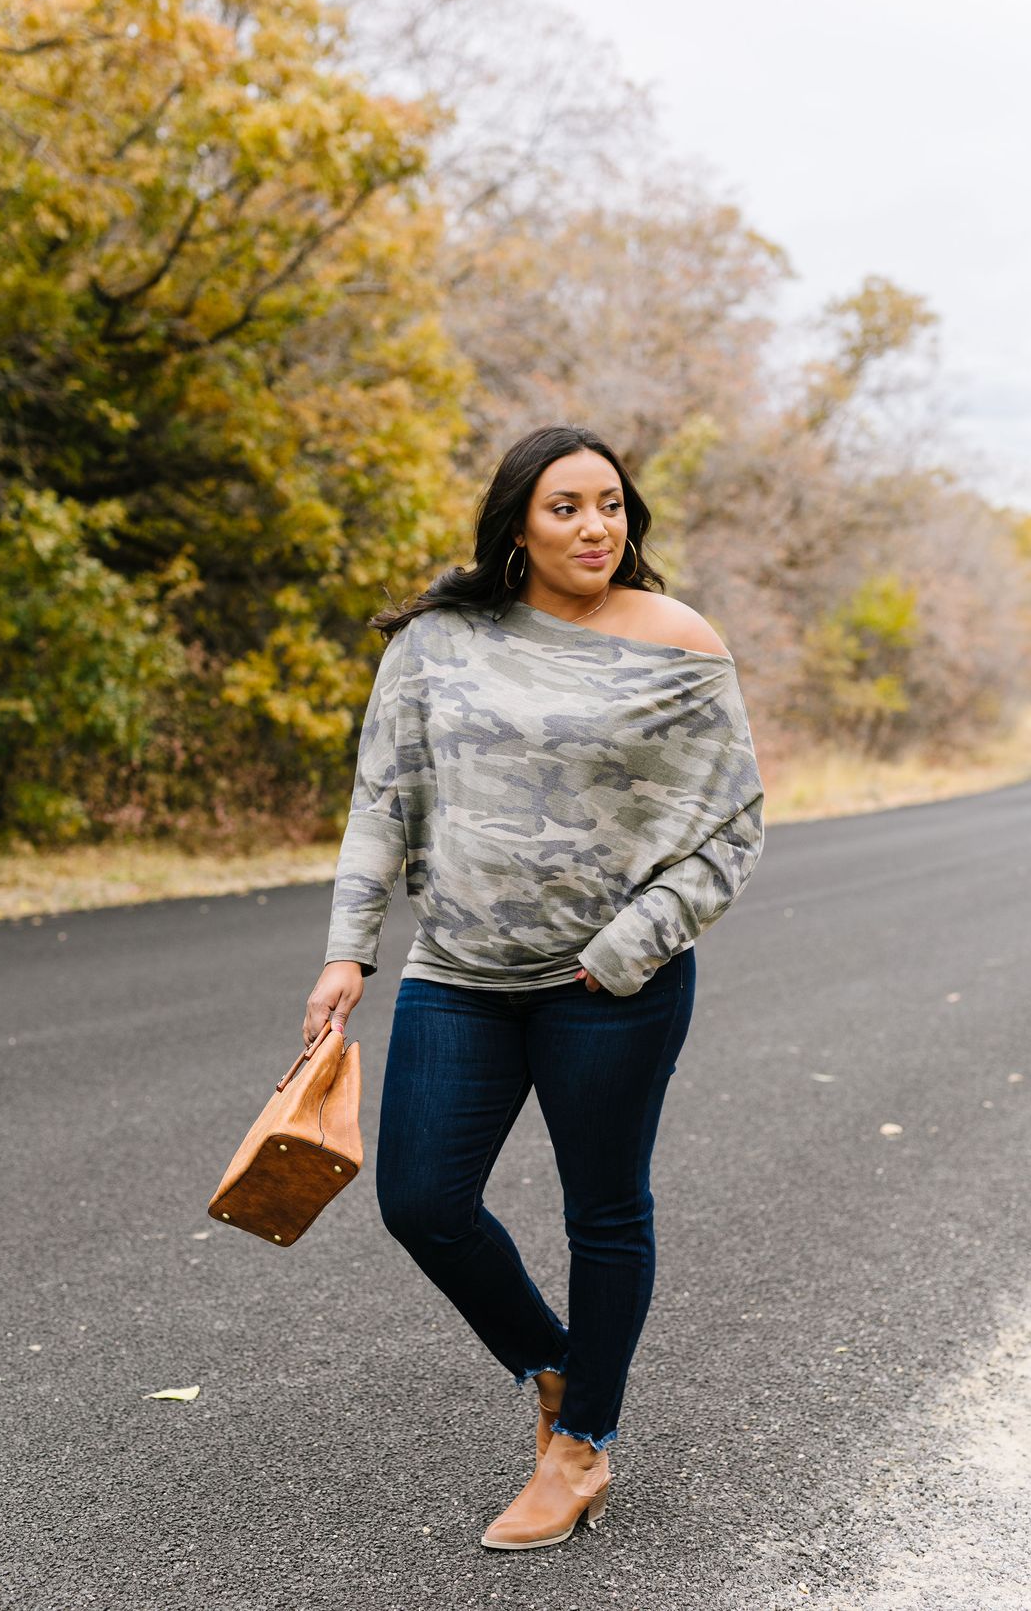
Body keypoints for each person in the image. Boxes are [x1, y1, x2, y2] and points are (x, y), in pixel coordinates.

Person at [302, 423, 765, 1549]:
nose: (595, 525)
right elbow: (383, 799)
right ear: (517, 522)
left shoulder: (679, 645)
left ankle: (581, 1446)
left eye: (610, 504)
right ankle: (558, 1369)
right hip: (457, 972)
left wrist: (627, 948)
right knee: (421, 1202)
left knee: (604, 1210)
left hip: (608, 987)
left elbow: (733, 826)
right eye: (566, 506)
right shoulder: (440, 638)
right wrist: (346, 951)